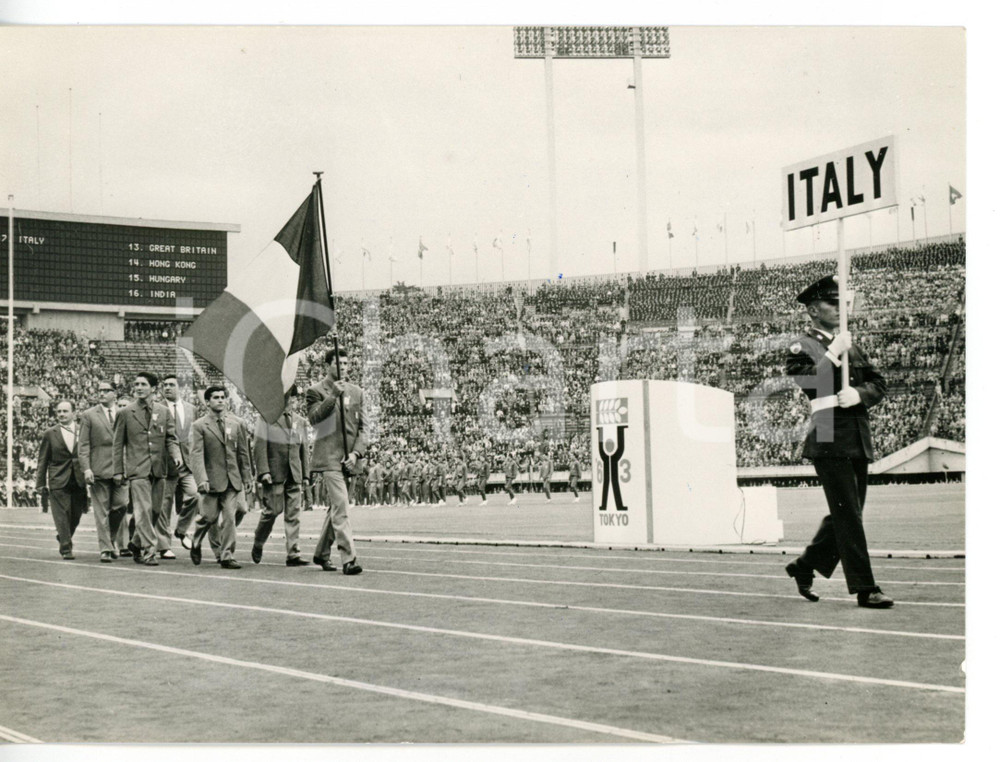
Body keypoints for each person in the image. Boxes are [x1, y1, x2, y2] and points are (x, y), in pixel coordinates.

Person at [783, 274, 894, 609]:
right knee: (848, 517)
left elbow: (879, 383)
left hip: (856, 432)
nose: (838, 309)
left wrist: (858, 394)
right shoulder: (802, 346)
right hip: (829, 432)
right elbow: (810, 384)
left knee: (848, 512)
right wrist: (833, 353)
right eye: (832, 304)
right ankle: (865, 588)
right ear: (813, 310)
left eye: (840, 304)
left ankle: (804, 565)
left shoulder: (851, 344)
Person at [307, 345, 367, 574]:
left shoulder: (357, 392)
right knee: (341, 506)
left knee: (336, 507)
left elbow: (364, 428)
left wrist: (356, 453)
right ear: (327, 365)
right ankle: (349, 559)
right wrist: (332, 395)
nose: (342, 367)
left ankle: (321, 552)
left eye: (345, 363)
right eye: (337, 363)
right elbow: (315, 419)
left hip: (350, 459)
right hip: (330, 457)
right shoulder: (315, 391)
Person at [113, 372, 181, 566]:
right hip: (137, 470)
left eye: (143, 384)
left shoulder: (163, 411)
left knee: (156, 511)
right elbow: (117, 445)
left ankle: (135, 543)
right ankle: (149, 551)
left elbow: (171, 438)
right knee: (143, 510)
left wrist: (176, 455)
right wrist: (118, 470)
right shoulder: (125, 413)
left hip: (159, 468)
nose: (139, 387)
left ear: (153, 388)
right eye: (137, 384)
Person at [189, 385, 252, 569]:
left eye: (222, 397)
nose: (220, 400)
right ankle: (196, 540)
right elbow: (196, 455)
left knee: (230, 517)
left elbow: (243, 453)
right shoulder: (199, 425)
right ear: (207, 402)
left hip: (232, 479)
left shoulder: (237, 424)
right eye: (215, 397)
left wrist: (247, 477)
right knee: (208, 518)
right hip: (211, 480)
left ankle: (226, 555)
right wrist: (202, 479)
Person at [251, 392, 310, 566]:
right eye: (288, 396)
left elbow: (304, 449)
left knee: (293, 515)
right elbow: (259, 446)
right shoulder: (266, 418)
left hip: (294, 473)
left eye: (293, 397)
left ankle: (293, 553)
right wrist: (264, 471)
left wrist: (306, 474)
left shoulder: (300, 421)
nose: (291, 400)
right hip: (274, 473)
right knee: (272, 511)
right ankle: (259, 540)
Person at [77, 382, 128, 562]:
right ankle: (105, 548)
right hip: (98, 469)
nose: (102, 393)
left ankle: (110, 540)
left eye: (107, 390)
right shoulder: (89, 415)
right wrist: (86, 468)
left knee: (121, 505)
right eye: (100, 390)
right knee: (101, 512)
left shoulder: (124, 413)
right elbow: (83, 444)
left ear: (115, 393)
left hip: (121, 470)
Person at [35, 399, 88, 559]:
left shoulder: (83, 431)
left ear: (74, 413)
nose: (62, 414)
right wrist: (40, 483)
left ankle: (64, 536)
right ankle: (66, 548)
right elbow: (43, 459)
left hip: (78, 479)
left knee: (76, 515)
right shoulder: (50, 433)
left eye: (65, 411)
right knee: (61, 515)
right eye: (59, 411)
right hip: (58, 479)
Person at [159, 373, 200, 557]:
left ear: (180, 387)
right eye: (165, 385)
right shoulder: (157, 408)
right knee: (164, 505)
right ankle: (164, 546)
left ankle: (181, 530)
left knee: (195, 495)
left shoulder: (191, 409)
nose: (167, 388)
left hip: (187, 464)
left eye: (171, 385)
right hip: (166, 464)